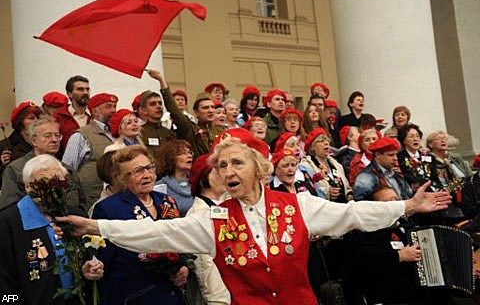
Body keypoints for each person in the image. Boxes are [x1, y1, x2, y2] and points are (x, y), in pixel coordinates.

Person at [57, 128, 452, 305]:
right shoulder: (211, 219)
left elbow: (350, 213)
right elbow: (159, 234)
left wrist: (406, 206)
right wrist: (96, 226)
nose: (227, 171)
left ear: (259, 168)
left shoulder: (296, 204)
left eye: (236, 163)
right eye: (220, 165)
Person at [91, 146, 189, 305]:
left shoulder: (166, 201)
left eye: (149, 168)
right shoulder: (109, 209)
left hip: (169, 294)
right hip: (133, 295)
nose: (147, 175)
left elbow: (180, 242)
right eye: (138, 171)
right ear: (122, 177)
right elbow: (102, 264)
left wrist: (183, 268)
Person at [0, 154, 103, 304]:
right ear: (28, 186)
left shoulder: (75, 215)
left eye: (57, 183)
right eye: (43, 184)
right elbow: (3, 288)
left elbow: (84, 259)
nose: (52, 190)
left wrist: (87, 270)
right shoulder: (7, 223)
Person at [0, 117, 83, 210]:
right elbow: (9, 207)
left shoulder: (68, 170)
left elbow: (81, 204)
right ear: (34, 141)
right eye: (48, 136)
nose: (54, 140)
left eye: (57, 135)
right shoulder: (16, 169)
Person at [187, 154, 231, 304]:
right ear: (203, 179)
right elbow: (205, 267)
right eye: (217, 171)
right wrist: (219, 301)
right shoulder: (196, 215)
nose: (225, 175)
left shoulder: (230, 203)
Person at [62, 93, 118, 210]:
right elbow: (67, 171)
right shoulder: (81, 135)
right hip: (92, 202)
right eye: (108, 106)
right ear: (94, 111)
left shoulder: (118, 134)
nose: (113, 110)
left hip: (117, 198)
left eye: (114, 106)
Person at [300, 127, 352, 202]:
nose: (326, 143)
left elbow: (347, 186)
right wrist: (327, 192)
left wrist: (349, 194)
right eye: (321, 141)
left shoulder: (336, 163)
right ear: (312, 147)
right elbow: (309, 190)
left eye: (327, 140)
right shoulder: (306, 165)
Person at [354, 137, 412, 201]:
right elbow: (359, 203)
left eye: (396, 155)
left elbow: (409, 196)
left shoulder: (397, 175)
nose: (395, 158)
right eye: (391, 155)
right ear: (378, 155)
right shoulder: (366, 176)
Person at [0, 101, 43, 188]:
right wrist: (1, 165)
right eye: (31, 118)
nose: (36, 121)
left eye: (38, 118)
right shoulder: (7, 145)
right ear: (20, 122)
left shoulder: (45, 142)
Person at [155, 140, 194, 217]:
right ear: (170, 158)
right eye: (183, 153)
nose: (189, 156)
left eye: (190, 152)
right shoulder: (160, 187)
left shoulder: (199, 183)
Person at [54, 75, 91, 155]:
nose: (85, 92)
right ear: (70, 94)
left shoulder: (95, 115)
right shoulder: (59, 117)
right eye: (80, 89)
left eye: (87, 89)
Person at [137, 89, 177, 159]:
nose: (158, 106)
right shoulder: (140, 133)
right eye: (153, 104)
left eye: (160, 103)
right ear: (144, 110)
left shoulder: (170, 134)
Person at [397, 124, 436, 192]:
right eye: (411, 136)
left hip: (431, 191)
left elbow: (435, 179)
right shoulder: (399, 158)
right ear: (403, 140)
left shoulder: (429, 157)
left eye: (417, 136)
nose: (415, 139)